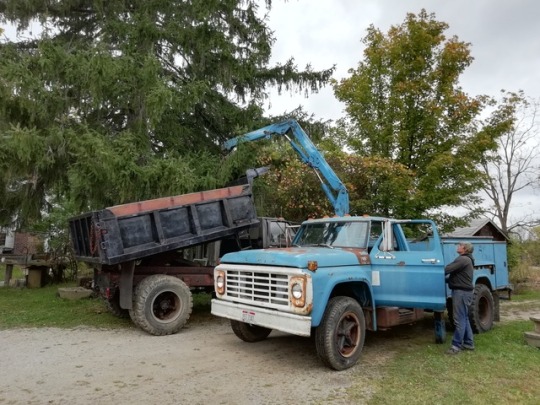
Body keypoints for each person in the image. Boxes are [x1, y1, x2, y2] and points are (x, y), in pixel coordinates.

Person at [444, 242, 475, 355]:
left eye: (459, 245)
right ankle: (468, 343)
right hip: (465, 292)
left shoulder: (462, 259)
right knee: (464, 318)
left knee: (459, 319)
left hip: (461, 293)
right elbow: (457, 276)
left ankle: (456, 346)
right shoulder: (467, 260)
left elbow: (447, 269)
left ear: (465, 249)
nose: (457, 247)